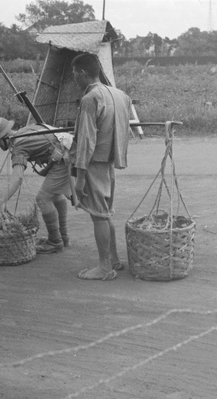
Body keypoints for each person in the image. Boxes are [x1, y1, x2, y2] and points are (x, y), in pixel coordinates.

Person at [70, 53, 132, 281]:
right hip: (108, 162)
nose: (74, 78)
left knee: (98, 216)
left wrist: (79, 178)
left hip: (94, 163)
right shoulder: (119, 95)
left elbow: (86, 141)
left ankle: (105, 267)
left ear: (83, 73)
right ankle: (113, 259)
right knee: (104, 214)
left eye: (75, 74)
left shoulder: (90, 99)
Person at [0, 118, 71, 254]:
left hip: (64, 157)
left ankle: (55, 241)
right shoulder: (24, 131)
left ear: (4, 137)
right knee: (55, 194)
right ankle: (63, 237)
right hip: (67, 151)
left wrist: (3, 201)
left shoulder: (18, 146)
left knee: (43, 198)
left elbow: (17, 177)